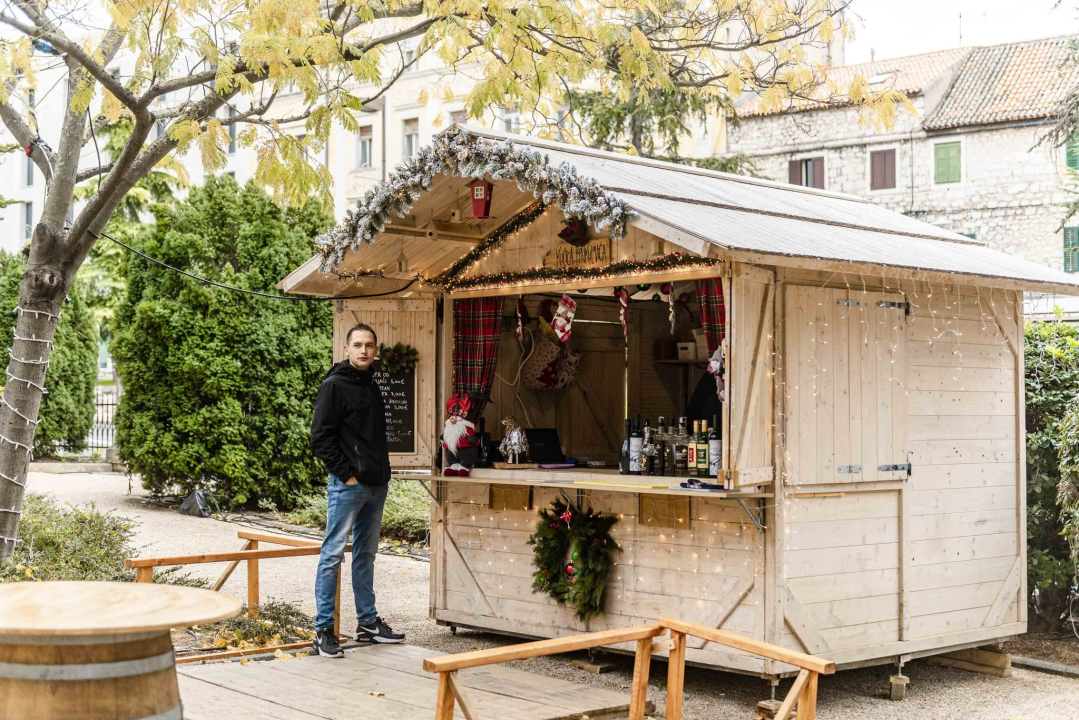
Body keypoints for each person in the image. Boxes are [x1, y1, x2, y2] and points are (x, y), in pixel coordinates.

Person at [309, 322, 405, 657]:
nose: (364, 350)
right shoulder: (334, 386)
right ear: (346, 349)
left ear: (375, 351)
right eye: (358, 345)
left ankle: (367, 624)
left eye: (369, 345)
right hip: (349, 486)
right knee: (332, 554)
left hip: (377, 486)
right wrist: (347, 475)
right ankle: (323, 630)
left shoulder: (371, 384)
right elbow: (320, 438)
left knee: (366, 554)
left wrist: (382, 474)